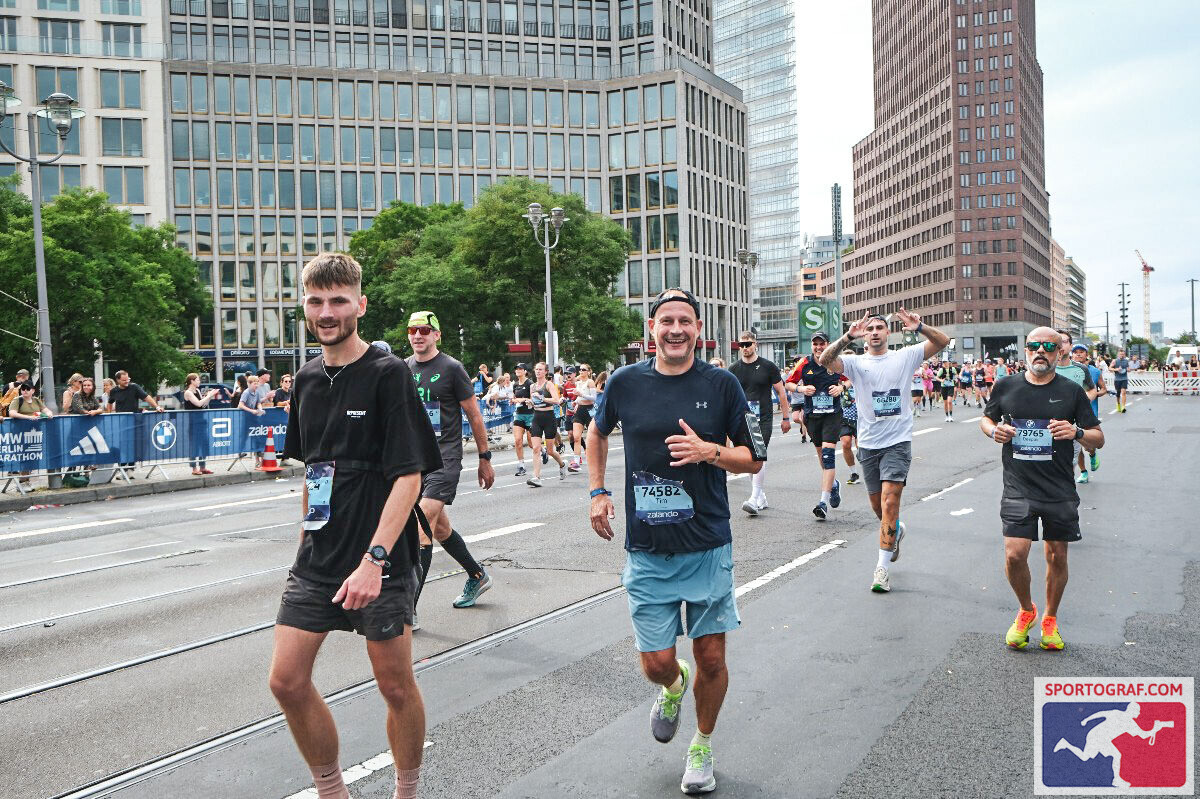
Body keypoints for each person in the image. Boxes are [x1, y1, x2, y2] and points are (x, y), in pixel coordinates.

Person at [271, 253, 441, 799]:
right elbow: (314, 470)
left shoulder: (388, 374)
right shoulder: (305, 379)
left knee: (395, 686)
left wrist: (374, 560)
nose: (327, 312)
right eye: (316, 301)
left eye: (338, 300)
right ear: (305, 306)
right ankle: (331, 791)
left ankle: (406, 791)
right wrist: (304, 539)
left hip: (381, 559)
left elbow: (409, 477)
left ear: (360, 305)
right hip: (319, 558)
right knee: (286, 681)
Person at [587, 287, 766, 795]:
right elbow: (596, 434)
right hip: (647, 549)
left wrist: (710, 451)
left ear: (698, 329)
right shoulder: (624, 382)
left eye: (685, 321)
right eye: (666, 320)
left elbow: (754, 458)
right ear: (652, 328)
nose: (675, 330)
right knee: (657, 663)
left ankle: (702, 745)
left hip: (707, 543)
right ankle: (672, 685)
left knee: (712, 658)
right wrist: (597, 491)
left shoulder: (722, 384)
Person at [980, 326, 1103, 652]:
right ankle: (1026, 610)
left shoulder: (1071, 391)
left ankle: (1050, 618)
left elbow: (1098, 438)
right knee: (1014, 554)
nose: (1040, 351)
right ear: (1026, 350)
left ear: (1058, 353)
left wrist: (1076, 432)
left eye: (1048, 347)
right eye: (1034, 345)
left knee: (1056, 555)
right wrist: (994, 431)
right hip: (1018, 485)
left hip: (1058, 487)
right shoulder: (1006, 386)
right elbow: (986, 419)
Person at [818, 309, 951, 593]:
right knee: (878, 507)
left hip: (898, 442)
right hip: (868, 443)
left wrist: (920, 327)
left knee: (890, 503)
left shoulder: (905, 356)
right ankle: (896, 531)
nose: (875, 332)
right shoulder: (855, 362)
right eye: (870, 329)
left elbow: (943, 341)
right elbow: (825, 360)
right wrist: (847, 337)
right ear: (864, 335)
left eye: (879, 328)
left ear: (888, 333)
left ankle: (881, 569)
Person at [404, 310, 497, 616]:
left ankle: (407, 610)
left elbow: (474, 415)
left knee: (421, 529)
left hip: (444, 459)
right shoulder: (404, 367)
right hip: (415, 461)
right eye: (413, 330)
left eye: (424, 330)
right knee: (441, 528)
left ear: (437, 335)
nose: (418, 335)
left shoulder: (452, 368)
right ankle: (477, 575)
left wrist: (484, 458)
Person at [729, 330, 789, 515]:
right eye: (741, 345)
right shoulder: (733, 369)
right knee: (749, 457)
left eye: (748, 344)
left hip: (763, 418)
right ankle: (761, 496)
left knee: (758, 454)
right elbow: (729, 397)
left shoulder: (768, 366)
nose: (745, 348)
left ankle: (754, 498)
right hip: (743, 419)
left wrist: (786, 418)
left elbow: (781, 392)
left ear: (755, 344)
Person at [796, 332, 845, 519]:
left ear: (828, 344)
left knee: (828, 455)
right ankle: (833, 485)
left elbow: (851, 378)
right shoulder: (804, 363)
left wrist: (841, 387)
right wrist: (802, 388)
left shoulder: (836, 362)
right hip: (812, 416)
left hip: (832, 415)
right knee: (821, 455)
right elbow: (789, 384)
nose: (818, 347)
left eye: (822, 344)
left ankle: (823, 502)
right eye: (815, 344)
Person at [526, 361, 567, 487]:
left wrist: (542, 398)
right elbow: (534, 402)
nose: (538, 371)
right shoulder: (532, 387)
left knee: (550, 451)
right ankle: (536, 477)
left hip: (549, 418)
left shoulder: (548, 384)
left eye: (540, 369)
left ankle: (562, 464)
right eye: (536, 369)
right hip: (537, 418)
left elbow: (556, 400)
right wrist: (530, 403)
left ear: (545, 372)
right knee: (536, 448)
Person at [7, 382, 51, 487]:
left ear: (33, 390)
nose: (25, 391)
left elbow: (46, 410)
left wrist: (49, 414)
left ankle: (26, 481)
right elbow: (12, 413)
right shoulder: (17, 400)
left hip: (35, 434)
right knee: (24, 457)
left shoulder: (36, 400)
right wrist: (29, 417)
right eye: (23, 389)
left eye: (27, 388)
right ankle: (23, 483)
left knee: (32, 458)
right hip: (20, 433)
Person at [1073, 345, 1105, 480]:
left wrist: (1094, 394)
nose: (1078, 354)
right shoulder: (1068, 370)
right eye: (1075, 352)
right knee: (1077, 443)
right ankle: (1083, 472)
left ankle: (1092, 453)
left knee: (1087, 444)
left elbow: (1103, 389)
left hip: (1090, 412)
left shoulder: (1095, 371)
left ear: (1087, 355)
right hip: (1073, 413)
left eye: (1081, 352)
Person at [183, 373, 219, 475]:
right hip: (193, 423)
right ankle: (194, 469)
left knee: (204, 444)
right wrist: (209, 395)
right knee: (194, 446)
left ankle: (202, 467)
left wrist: (209, 397)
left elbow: (203, 405)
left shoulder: (198, 391)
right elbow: (198, 403)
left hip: (201, 422)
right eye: (198, 380)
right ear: (192, 381)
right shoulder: (188, 393)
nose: (199, 381)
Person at [569, 364, 598, 472]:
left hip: (589, 410)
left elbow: (593, 398)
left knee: (592, 437)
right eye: (580, 369)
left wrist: (581, 394)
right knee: (576, 437)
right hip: (580, 410)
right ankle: (576, 463)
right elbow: (579, 397)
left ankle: (595, 458)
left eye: (583, 369)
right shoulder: (578, 383)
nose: (581, 371)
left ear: (588, 372)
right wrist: (575, 402)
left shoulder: (590, 382)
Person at [510, 363, 535, 476]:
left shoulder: (530, 383)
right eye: (517, 369)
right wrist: (513, 400)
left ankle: (543, 450)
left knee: (531, 444)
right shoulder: (515, 384)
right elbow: (514, 398)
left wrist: (524, 399)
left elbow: (533, 400)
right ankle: (521, 466)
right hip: (519, 415)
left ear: (525, 371)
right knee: (518, 441)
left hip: (530, 415)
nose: (518, 370)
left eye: (520, 369)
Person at [839, 377, 860, 485]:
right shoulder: (838, 375)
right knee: (845, 443)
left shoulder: (858, 374)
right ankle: (854, 473)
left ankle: (873, 470)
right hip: (844, 417)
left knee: (860, 446)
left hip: (861, 417)